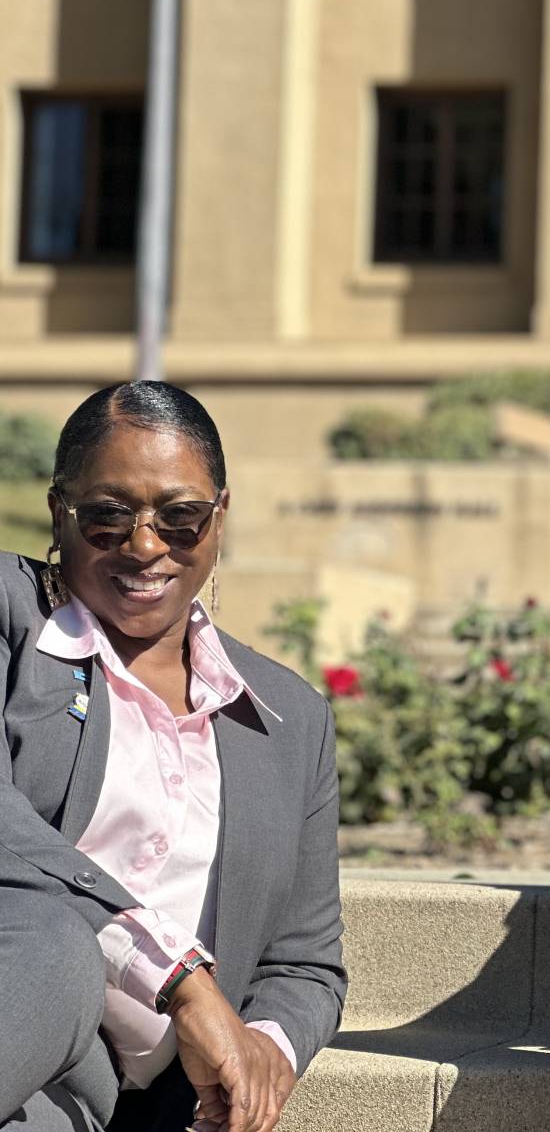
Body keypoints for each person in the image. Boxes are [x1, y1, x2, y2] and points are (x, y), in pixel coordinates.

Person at [0, 382, 347, 1132]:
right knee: (58, 947)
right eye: (108, 515)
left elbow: (306, 965)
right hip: (18, 1000)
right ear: (60, 510)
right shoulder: (10, 621)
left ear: (219, 517)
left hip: (104, 1093)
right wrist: (182, 982)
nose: (146, 545)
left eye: (179, 516)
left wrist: (259, 1054)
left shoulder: (291, 720)